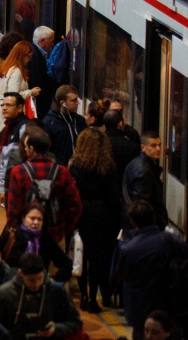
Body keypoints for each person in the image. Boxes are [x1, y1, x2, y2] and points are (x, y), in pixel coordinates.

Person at [114, 200, 188, 338]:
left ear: (133, 222)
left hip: (140, 311)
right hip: (168, 308)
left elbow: (120, 275)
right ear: (154, 217)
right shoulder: (170, 240)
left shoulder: (127, 248)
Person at [68, 127, 118, 313]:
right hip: (102, 214)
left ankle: (83, 295)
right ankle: (93, 297)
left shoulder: (75, 165)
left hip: (82, 212)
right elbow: (114, 198)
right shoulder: (109, 166)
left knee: (82, 254)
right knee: (98, 258)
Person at [5, 126, 82, 244]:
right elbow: (75, 205)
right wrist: (64, 228)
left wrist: (14, 231)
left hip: (26, 237)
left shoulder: (19, 171)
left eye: (26, 147)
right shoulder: (61, 171)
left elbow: (13, 209)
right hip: (55, 236)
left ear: (31, 149)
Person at [0, 253, 82, 340]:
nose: (36, 284)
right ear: (21, 273)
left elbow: (76, 322)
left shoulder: (57, 291)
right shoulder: (4, 293)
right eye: (31, 280)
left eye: (40, 278)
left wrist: (57, 329)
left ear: (43, 272)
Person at [0, 201, 72, 280]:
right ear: (23, 218)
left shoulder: (46, 240)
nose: (36, 222)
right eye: (32, 218)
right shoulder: (11, 236)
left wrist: (55, 281)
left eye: (39, 220)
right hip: (12, 287)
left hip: (38, 288)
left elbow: (66, 264)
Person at [0, 41, 41, 138]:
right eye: (28, 56)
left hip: (1, 108)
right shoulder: (16, 71)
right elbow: (13, 95)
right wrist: (31, 92)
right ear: (21, 55)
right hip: (10, 112)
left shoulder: (6, 66)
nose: (29, 59)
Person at [122, 130, 168, 229]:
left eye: (159, 145)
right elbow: (143, 205)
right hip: (145, 226)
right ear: (143, 147)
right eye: (153, 145)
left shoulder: (135, 163)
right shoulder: (144, 172)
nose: (158, 149)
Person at [27, 27, 58, 117]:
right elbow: (37, 81)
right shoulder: (34, 56)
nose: (52, 44)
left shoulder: (36, 53)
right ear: (41, 41)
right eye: (51, 41)